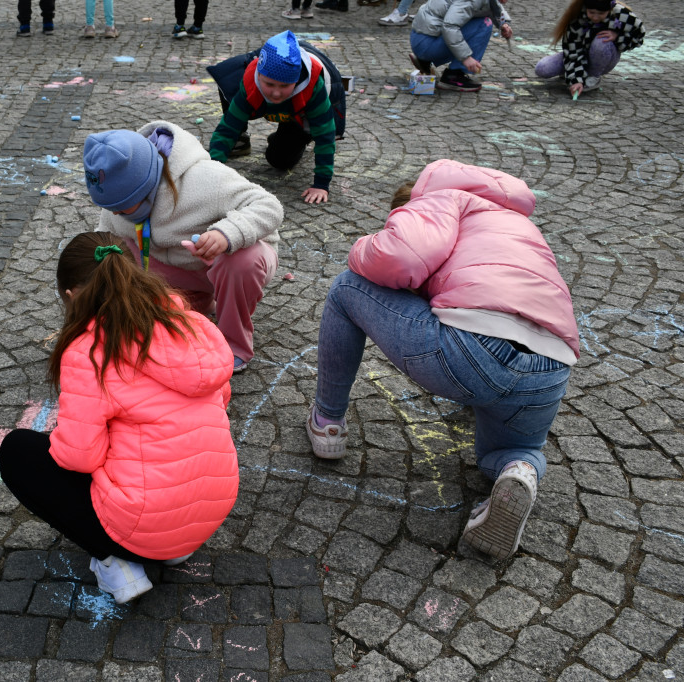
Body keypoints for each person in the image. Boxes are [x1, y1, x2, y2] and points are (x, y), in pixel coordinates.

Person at [307, 159, 579, 560]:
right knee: (511, 450)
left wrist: (364, 245)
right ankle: (519, 472)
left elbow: (400, 259)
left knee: (348, 287)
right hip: (551, 364)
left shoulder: (440, 199)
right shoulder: (515, 220)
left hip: (472, 348)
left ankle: (327, 422)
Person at [0, 232, 238, 603]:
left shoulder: (89, 349)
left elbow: (80, 458)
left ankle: (116, 564)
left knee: (18, 451)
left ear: (71, 296)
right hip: (209, 511)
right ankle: (173, 548)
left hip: (145, 524)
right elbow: (220, 402)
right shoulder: (189, 323)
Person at [83, 121, 283, 372]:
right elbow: (104, 240)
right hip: (174, 270)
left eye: (122, 207)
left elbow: (269, 206)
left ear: (144, 187)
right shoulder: (118, 192)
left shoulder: (205, 178)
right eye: (109, 207)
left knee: (243, 261)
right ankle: (199, 302)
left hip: (225, 262)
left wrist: (226, 234)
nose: (115, 213)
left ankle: (233, 344)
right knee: (114, 253)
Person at [207, 30, 347, 205]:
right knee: (228, 84)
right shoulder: (249, 81)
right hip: (280, 98)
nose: (276, 93)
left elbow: (325, 135)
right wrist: (212, 170)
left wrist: (321, 184)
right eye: (269, 84)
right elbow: (227, 128)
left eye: (284, 86)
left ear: (296, 80)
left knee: (279, 160)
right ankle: (241, 141)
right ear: (258, 74)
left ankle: (291, 134)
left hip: (300, 112)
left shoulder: (314, 88)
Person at [534, 0, 644, 98]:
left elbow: (638, 37)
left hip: (604, 57)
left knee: (601, 41)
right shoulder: (577, 17)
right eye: (591, 12)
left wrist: (618, 37)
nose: (595, 18)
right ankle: (572, 73)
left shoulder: (621, 14)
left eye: (601, 14)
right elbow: (572, 51)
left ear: (609, 9)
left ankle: (593, 76)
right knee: (542, 68)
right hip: (582, 54)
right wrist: (576, 80)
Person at [408, 0, 512, 92]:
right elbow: (450, 26)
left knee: (475, 20)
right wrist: (466, 58)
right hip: (426, 44)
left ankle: (424, 61)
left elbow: (492, 5)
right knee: (484, 23)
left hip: (422, 39)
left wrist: (503, 23)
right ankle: (454, 76)